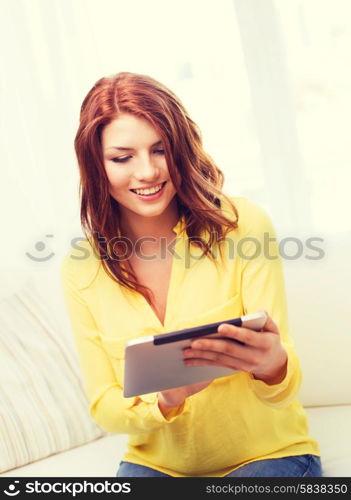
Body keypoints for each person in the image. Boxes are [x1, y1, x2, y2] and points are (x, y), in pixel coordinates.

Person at [60, 71, 322, 477]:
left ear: (181, 149)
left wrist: (274, 365)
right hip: (156, 466)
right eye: (122, 157)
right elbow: (104, 406)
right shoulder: (81, 269)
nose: (146, 172)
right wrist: (165, 402)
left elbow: (282, 387)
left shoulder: (243, 225)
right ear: (95, 165)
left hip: (268, 456)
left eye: (160, 150)